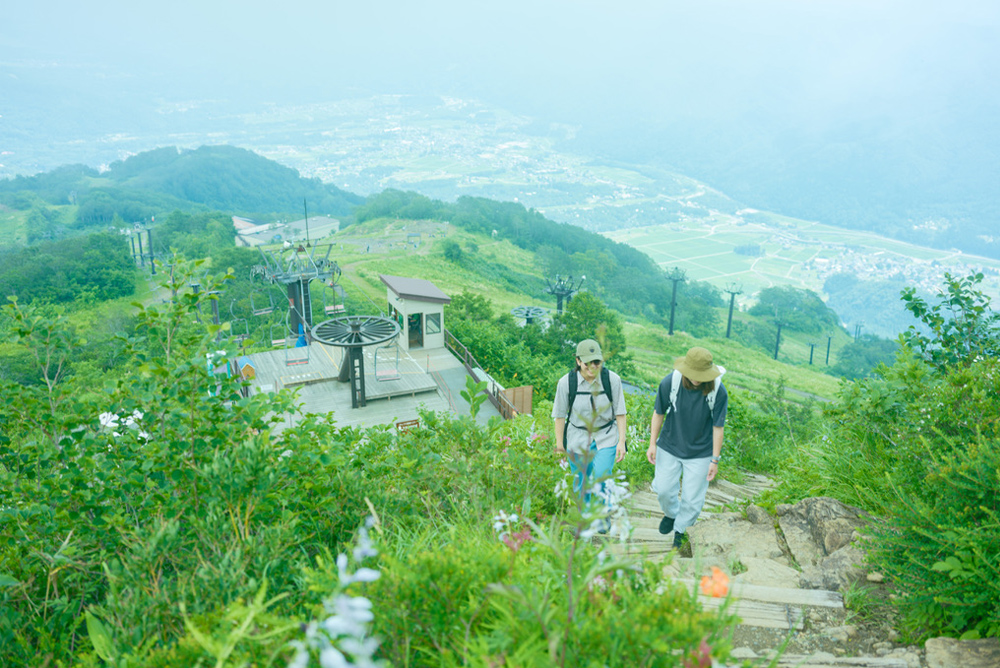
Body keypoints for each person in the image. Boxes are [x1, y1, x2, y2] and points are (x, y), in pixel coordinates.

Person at [646, 346, 728, 550]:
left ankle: (681, 531)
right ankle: (672, 513)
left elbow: (718, 427)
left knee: (692, 499)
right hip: (670, 445)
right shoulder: (671, 382)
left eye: (701, 375)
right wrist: (651, 444)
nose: (696, 379)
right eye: (693, 374)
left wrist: (714, 460)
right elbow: (658, 413)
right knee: (663, 489)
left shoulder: (718, 391)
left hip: (701, 452)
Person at [552, 339, 628, 507]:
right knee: (580, 481)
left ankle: (603, 514)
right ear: (578, 361)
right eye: (588, 363)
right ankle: (584, 516)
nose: (593, 367)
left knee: (601, 475)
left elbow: (620, 413)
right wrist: (559, 445)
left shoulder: (612, 380)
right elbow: (559, 416)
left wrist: (621, 441)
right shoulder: (566, 383)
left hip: (605, 435)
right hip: (577, 436)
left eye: (597, 362)